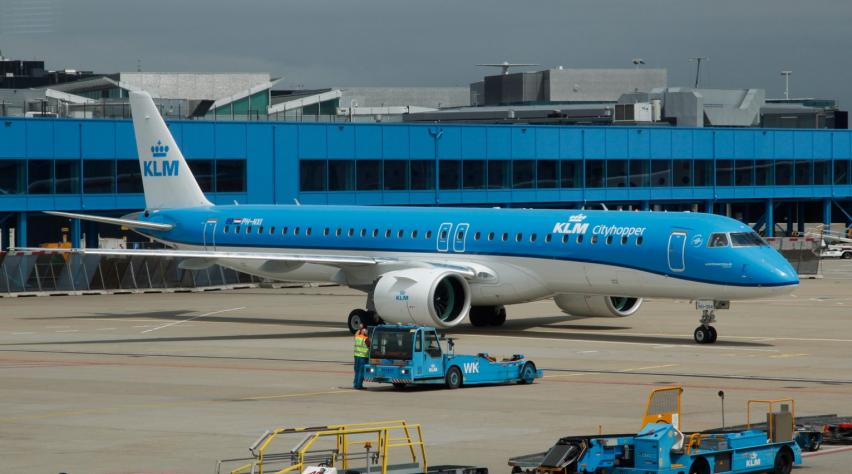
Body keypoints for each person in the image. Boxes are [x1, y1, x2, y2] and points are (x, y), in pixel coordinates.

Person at [353, 324, 370, 389]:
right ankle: (359, 385)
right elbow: (370, 346)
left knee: (357, 371)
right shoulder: (366, 339)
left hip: (356, 356)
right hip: (363, 357)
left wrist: (360, 329)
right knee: (361, 371)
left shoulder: (357, 337)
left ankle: (355, 384)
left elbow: (355, 334)